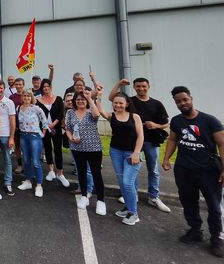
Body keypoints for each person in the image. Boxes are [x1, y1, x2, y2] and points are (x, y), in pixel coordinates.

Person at [162, 86, 224, 258]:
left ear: (191, 98)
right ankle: (195, 230)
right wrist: (166, 158)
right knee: (188, 202)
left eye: (184, 99)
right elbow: (173, 139)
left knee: (214, 207)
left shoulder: (210, 121)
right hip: (184, 169)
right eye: (178, 101)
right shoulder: (176, 121)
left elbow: (222, 144)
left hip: (208, 170)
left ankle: (216, 239)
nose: (182, 103)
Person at [108, 78, 171, 213]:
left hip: (151, 141)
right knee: (131, 171)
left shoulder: (156, 103)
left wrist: (156, 125)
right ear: (134, 88)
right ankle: (133, 194)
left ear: (149, 86)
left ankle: (154, 197)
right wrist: (119, 83)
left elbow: (165, 123)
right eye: (138, 86)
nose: (141, 89)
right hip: (131, 143)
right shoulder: (130, 102)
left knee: (153, 169)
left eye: (143, 86)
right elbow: (112, 98)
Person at [97, 90, 144, 224]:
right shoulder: (112, 116)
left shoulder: (135, 117)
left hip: (132, 153)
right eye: (115, 103)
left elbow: (140, 136)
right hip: (116, 151)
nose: (117, 105)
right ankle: (128, 207)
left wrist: (136, 153)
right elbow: (100, 110)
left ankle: (133, 213)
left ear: (127, 104)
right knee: (122, 180)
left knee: (127, 182)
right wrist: (99, 96)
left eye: (120, 103)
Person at [65, 90, 106, 216]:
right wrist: (71, 138)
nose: (80, 101)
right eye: (78, 99)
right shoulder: (70, 112)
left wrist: (90, 99)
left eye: (82, 99)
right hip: (77, 148)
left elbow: (97, 115)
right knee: (81, 172)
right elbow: (67, 128)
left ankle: (101, 201)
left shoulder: (90, 111)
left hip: (93, 148)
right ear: (74, 101)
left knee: (96, 173)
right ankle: (84, 196)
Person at [16, 90, 50, 197]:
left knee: (36, 161)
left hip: (35, 136)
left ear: (31, 98)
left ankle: (39, 185)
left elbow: (44, 121)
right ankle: (28, 181)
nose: (26, 98)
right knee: (26, 160)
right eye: (24, 96)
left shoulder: (36, 108)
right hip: (23, 136)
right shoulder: (19, 108)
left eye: (28, 96)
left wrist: (43, 134)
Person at [37, 79, 69, 187]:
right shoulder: (38, 100)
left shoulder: (58, 99)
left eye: (47, 86)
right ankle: (51, 170)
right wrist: (46, 126)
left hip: (56, 128)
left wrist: (53, 124)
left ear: (50, 87)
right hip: (44, 129)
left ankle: (60, 172)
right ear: (42, 88)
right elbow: (38, 115)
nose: (46, 88)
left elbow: (61, 114)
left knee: (57, 149)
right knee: (47, 149)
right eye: (44, 87)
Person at [0, 80, 16, 196]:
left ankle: (8, 183)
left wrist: (12, 137)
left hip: (5, 135)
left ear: (4, 88)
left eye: (1, 88)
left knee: (7, 160)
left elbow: (12, 120)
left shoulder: (9, 102)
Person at [9, 78, 26, 174]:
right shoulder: (12, 97)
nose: (18, 86)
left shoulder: (27, 95)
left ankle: (27, 165)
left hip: (27, 126)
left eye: (20, 84)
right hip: (16, 125)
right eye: (17, 84)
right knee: (18, 146)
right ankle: (20, 165)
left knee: (26, 146)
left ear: (23, 85)